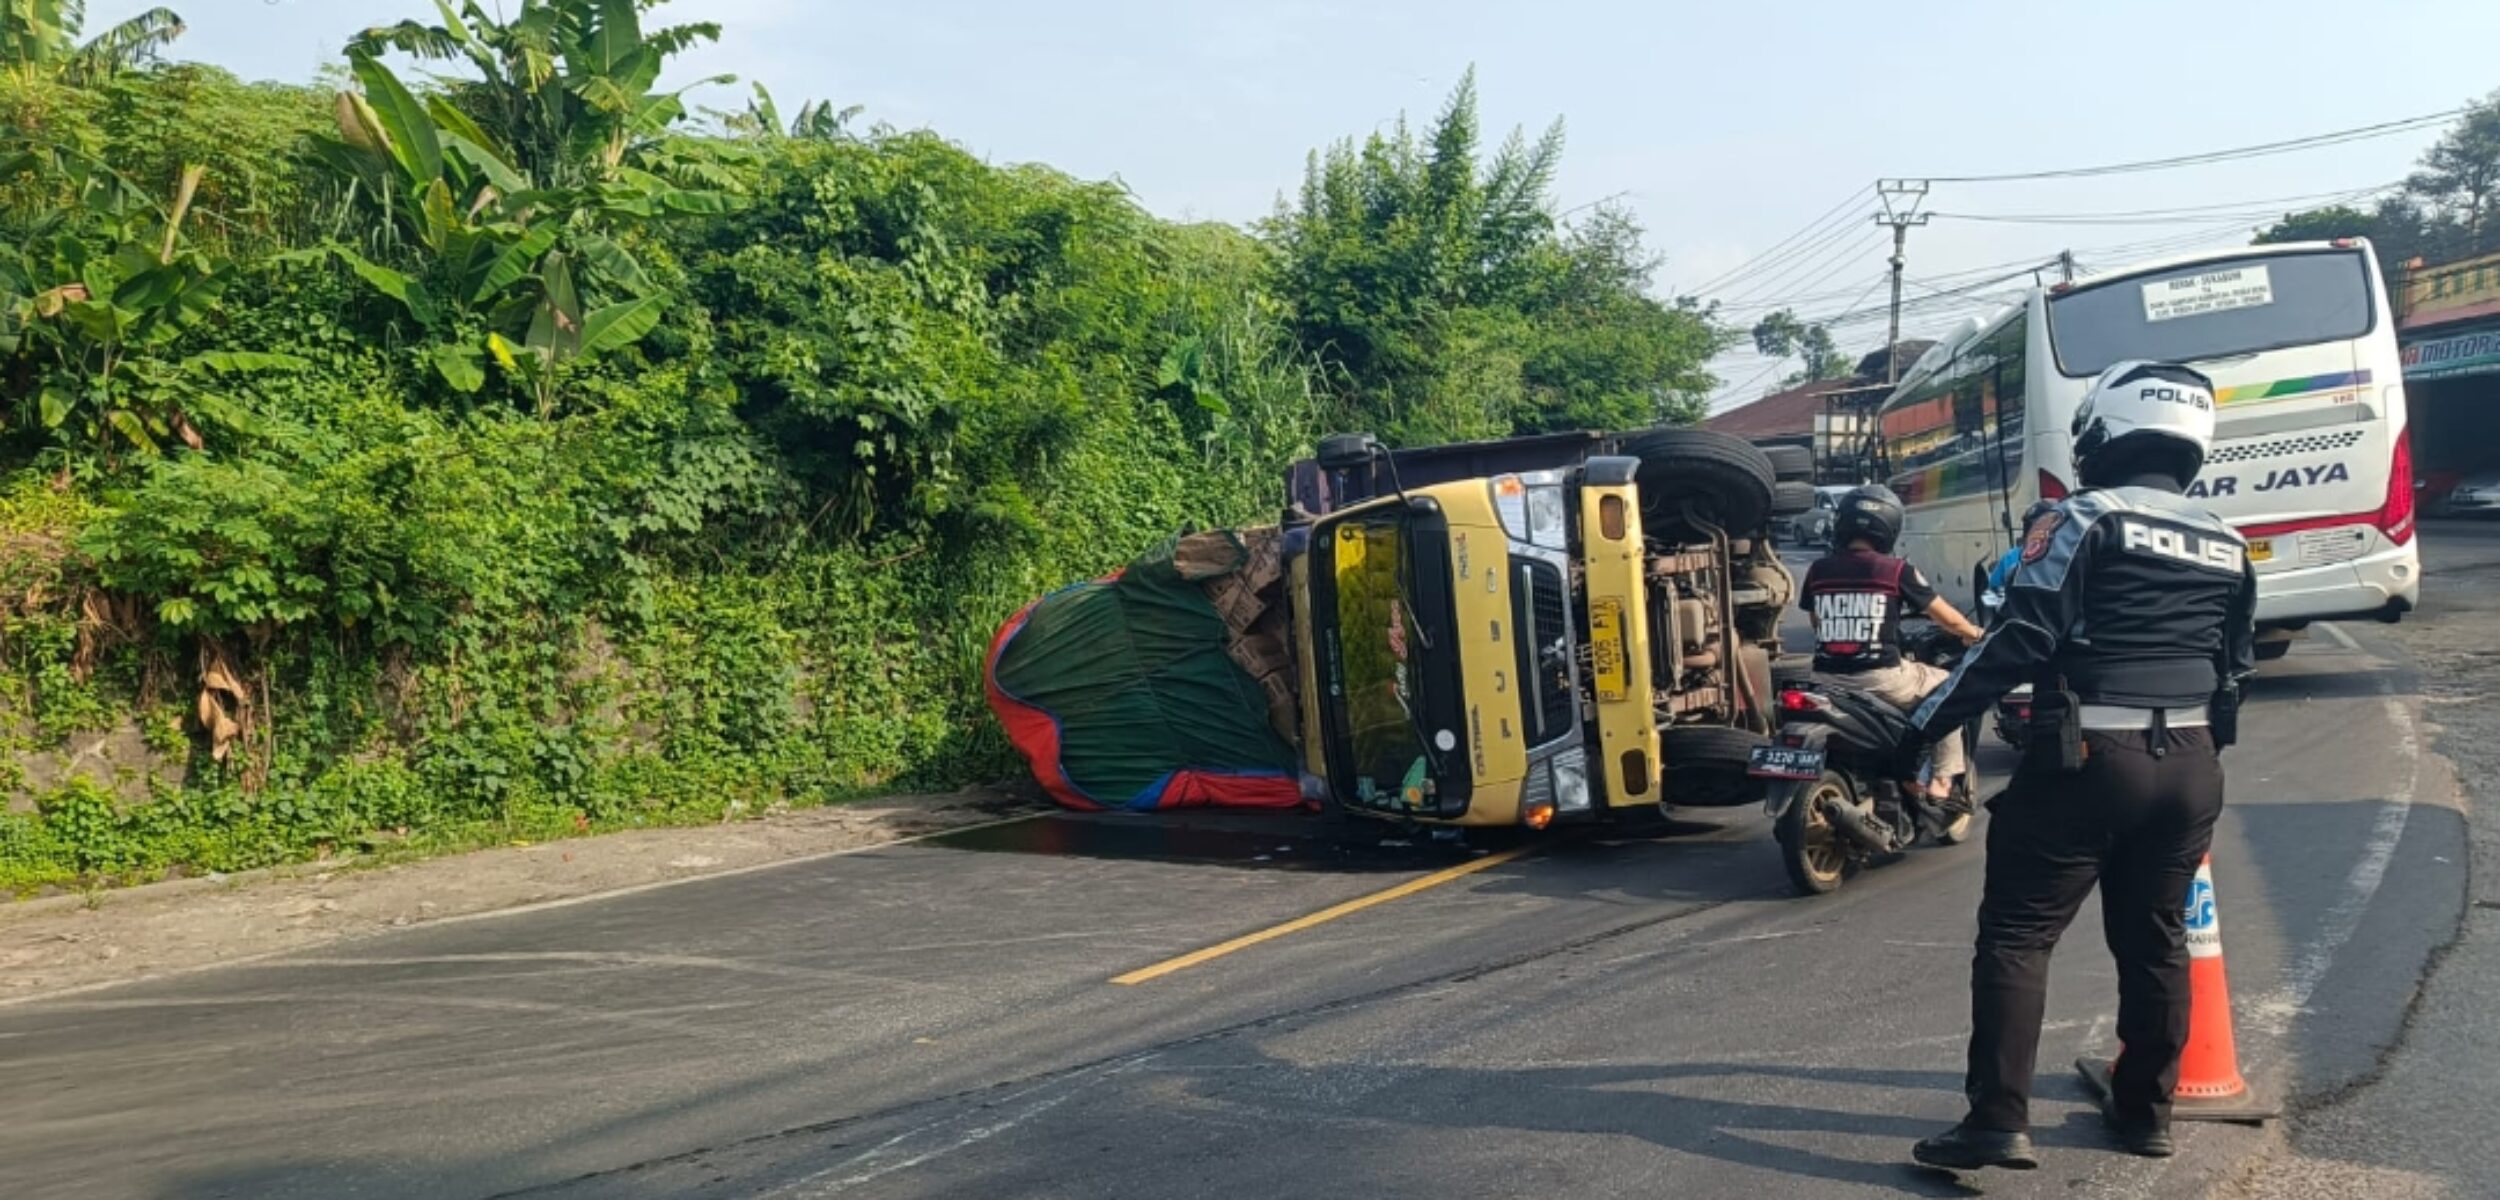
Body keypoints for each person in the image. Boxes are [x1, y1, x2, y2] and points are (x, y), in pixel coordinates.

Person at [1904, 361, 2258, 1171]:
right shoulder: (2229, 543)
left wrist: (1920, 724)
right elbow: (2234, 664)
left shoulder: (2080, 519)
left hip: (2090, 757)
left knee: (2019, 937)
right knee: (2157, 939)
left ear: (2102, 433)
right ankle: (2147, 1114)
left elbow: (2017, 641)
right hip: (2194, 763)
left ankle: (1997, 1121)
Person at [1797, 485, 1986, 800]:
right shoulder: (1897, 570)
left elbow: (1816, 621)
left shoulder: (1819, 570)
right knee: (1951, 687)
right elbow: (1948, 619)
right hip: (1881, 680)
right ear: (1890, 526)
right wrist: (1975, 633)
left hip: (1824, 681)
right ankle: (1942, 776)